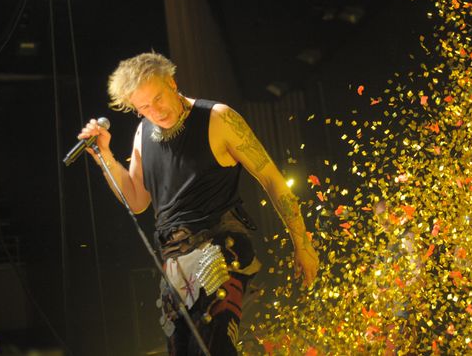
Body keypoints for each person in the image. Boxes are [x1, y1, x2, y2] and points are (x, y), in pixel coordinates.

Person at [77, 52, 319, 355]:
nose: (155, 112)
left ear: (172, 82)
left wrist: (302, 243)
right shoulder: (143, 134)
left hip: (219, 248)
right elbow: (137, 201)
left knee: (213, 347)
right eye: (144, 107)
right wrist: (105, 157)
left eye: (158, 98)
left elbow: (272, 179)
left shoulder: (217, 118)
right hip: (175, 264)